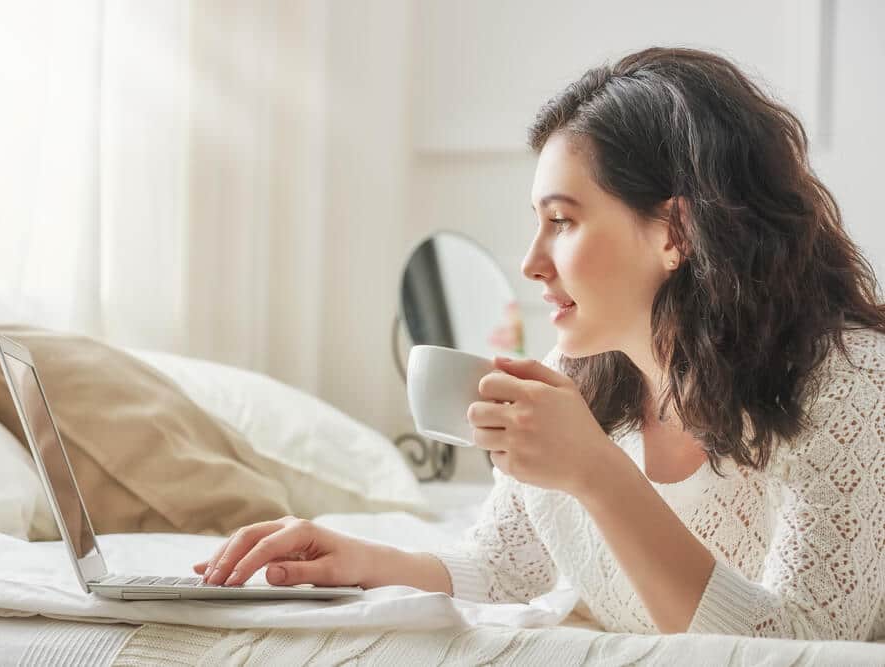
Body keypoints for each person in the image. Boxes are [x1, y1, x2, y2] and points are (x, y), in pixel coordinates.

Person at [191, 47, 885, 641]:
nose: (531, 261)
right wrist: (357, 559)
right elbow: (502, 567)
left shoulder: (849, 386)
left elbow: (802, 645)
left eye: (562, 220)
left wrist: (600, 476)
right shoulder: (577, 378)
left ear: (675, 232)